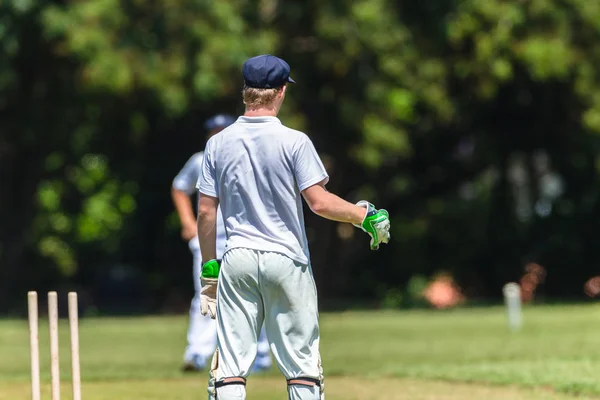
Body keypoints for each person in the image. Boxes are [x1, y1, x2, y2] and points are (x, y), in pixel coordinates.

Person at [196, 54, 391, 400]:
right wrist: (364, 216)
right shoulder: (294, 141)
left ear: (245, 91)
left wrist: (210, 268)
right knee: (301, 365)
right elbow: (319, 202)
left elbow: (207, 213)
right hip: (286, 258)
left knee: (229, 366)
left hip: (237, 258)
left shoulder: (217, 144)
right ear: (282, 91)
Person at [171, 114, 272, 372]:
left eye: (222, 130)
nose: (218, 135)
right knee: (207, 293)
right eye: (213, 131)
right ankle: (197, 353)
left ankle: (259, 356)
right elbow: (180, 187)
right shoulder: (199, 159)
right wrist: (188, 223)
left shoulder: (249, 156)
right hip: (208, 240)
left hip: (245, 237)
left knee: (252, 293)